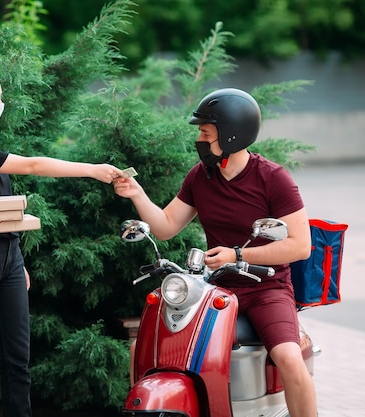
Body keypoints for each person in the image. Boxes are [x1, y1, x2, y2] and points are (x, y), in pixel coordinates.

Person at [113, 88, 317, 417]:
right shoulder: (200, 177)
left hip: (267, 288)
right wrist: (136, 193)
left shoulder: (273, 179)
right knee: (146, 347)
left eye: (206, 133)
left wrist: (239, 256)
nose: (200, 139)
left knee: (290, 360)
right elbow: (165, 226)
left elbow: (300, 245)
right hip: (216, 289)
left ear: (232, 134)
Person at [0, 66, 123, 417]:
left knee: (17, 360)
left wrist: (15, 259)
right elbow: (34, 165)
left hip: (5, 255)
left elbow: (2, 208)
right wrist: (92, 169)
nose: (0, 104)